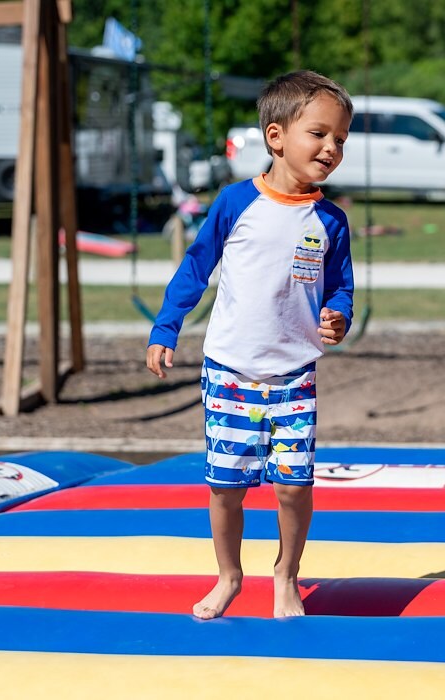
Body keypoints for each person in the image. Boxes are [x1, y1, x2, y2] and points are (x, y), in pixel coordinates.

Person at [145, 70, 355, 620]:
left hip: (294, 375)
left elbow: (340, 287)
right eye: (319, 134)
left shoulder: (330, 221)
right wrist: (167, 326)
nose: (331, 148)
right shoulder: (237, 203)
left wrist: (339, 316)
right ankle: (229, 575)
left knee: (294, 487)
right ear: (276, 136)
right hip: (231, 373)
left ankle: (286, 574)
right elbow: (196, 267)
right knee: (225, 487)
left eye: (340, 140)